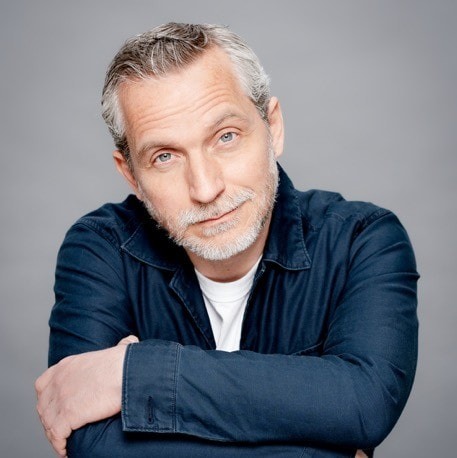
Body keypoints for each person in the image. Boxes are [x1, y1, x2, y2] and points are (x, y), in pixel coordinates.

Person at [35, 23, 419, 458]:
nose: (205, 188)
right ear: (131, 175)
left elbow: (365, 404)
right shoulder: (99, 249)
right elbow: (94, 446)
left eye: (226, 137)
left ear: (273, 127)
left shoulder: (363, 240)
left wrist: (135, 373)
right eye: (165, 157)